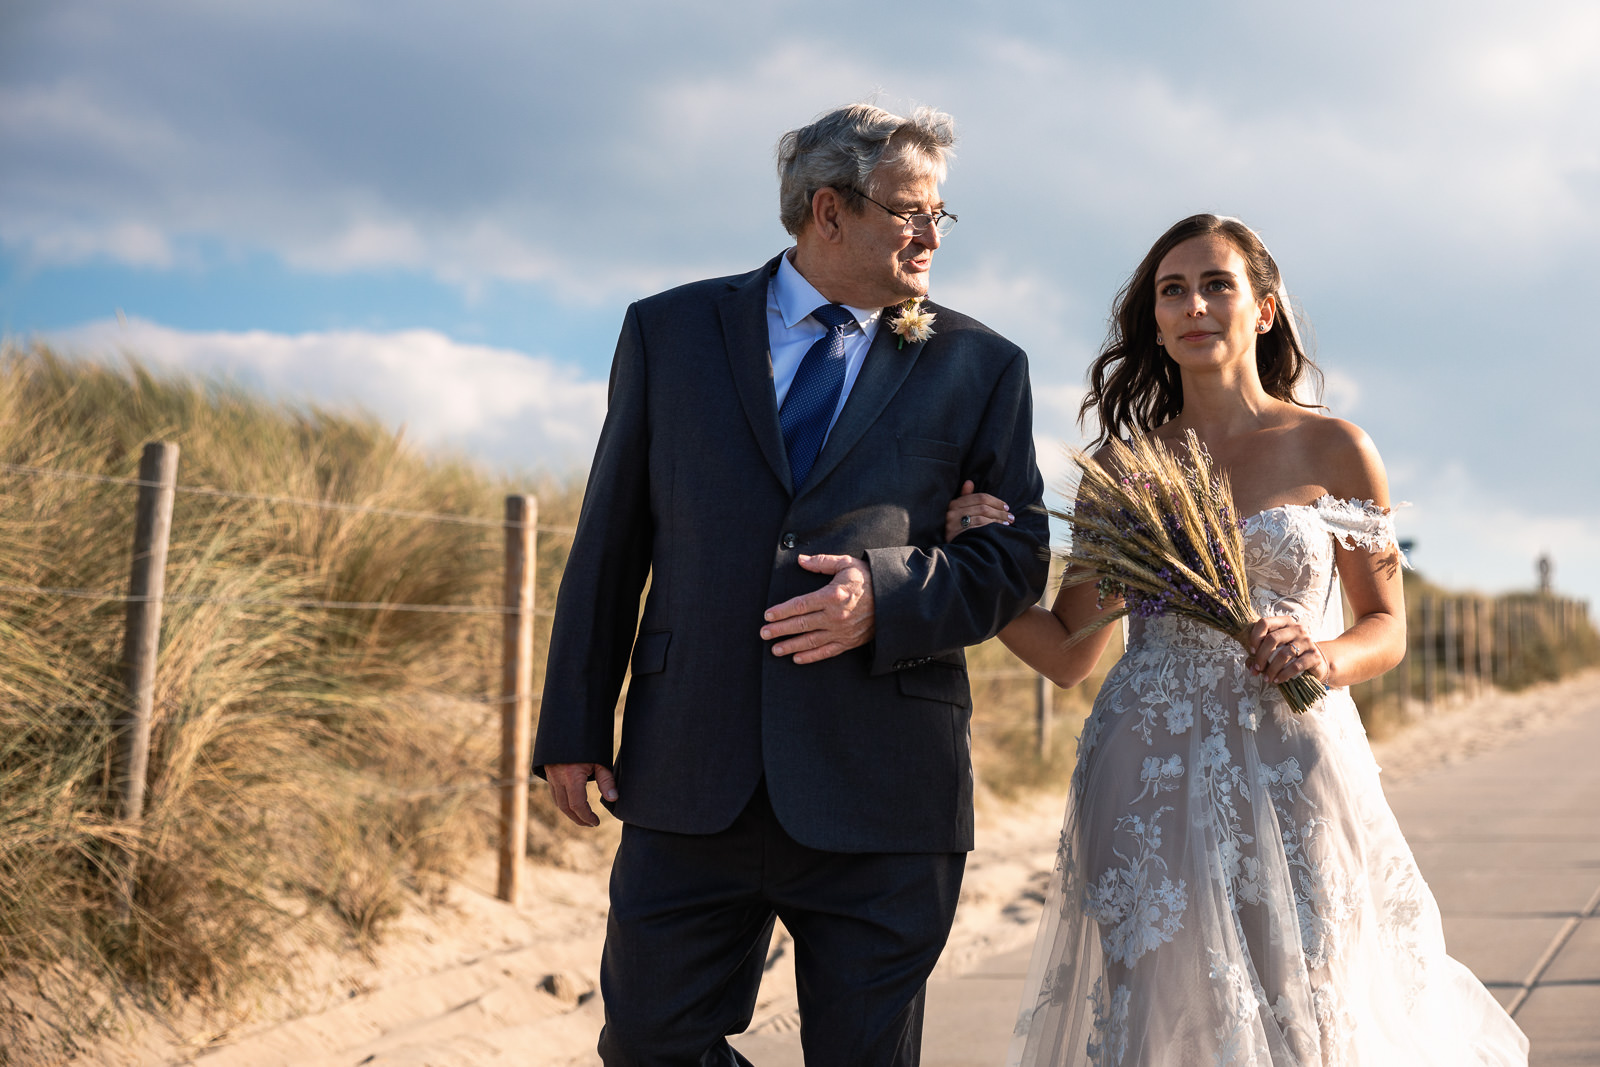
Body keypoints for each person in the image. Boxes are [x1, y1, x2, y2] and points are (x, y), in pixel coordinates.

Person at [531, 103, 1049, 1066]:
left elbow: (1015, 563)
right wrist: (574, 721)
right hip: (691, 770)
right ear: (828, 211)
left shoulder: (982, 366)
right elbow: (611, 541)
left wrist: (884, 596)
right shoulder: (669, 331)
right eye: (909, 212)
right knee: (648, 1043)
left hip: (885, 787)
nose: (932, 235)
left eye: (942, 213)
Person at [948, 214, 1529, 1065]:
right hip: (1147, 772)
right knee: (1159, 1007)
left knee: (1316, 1005)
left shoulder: (1335, 446)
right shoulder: (1127, 469)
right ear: (1155, 319)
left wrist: (1320, 656)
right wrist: (978, 567)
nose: (1194, 305)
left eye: (1217, 284)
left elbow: (1386, 627)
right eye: (1172, 290)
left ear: (1263, 308)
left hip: (1297, 758)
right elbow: (1070, 649)